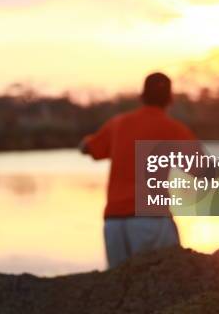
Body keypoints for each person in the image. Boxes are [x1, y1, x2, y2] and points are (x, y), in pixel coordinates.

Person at [79, 72, 197, 268]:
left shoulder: (118, 124)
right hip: (151, 221)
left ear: (141, 96)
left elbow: (88, 148)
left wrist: (87, 143)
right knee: (165, 283)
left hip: (114, 224)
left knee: (120, 289)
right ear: (170, 99)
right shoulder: (174, 129)